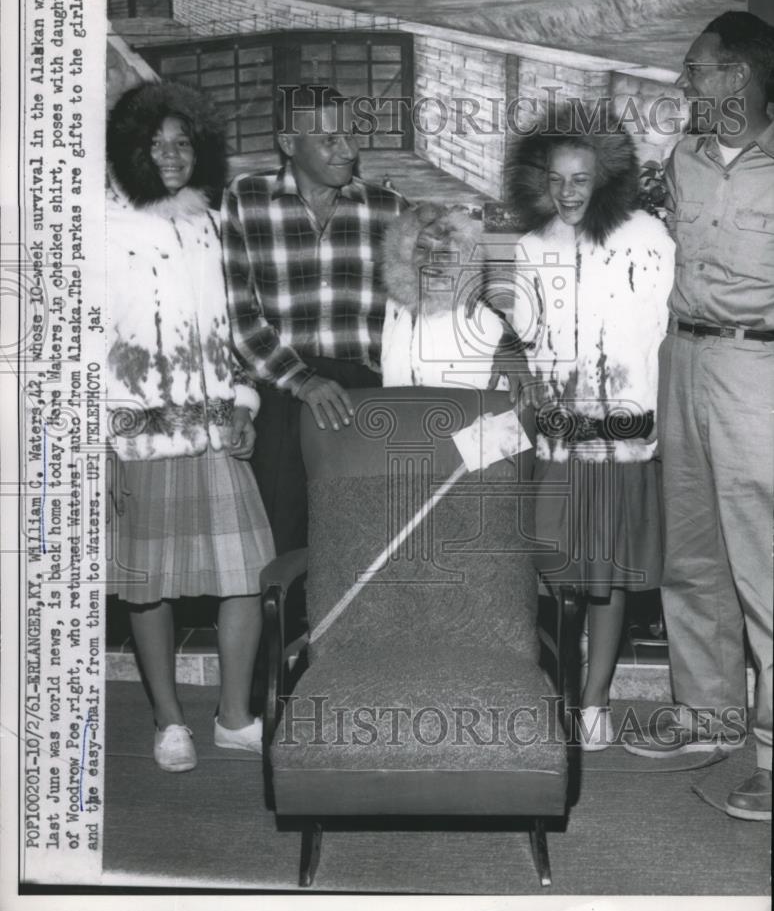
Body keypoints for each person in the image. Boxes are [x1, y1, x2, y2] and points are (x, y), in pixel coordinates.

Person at [623, 12, 774, 822]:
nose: (683, 82)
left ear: (737, 80)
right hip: (681, 359)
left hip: (760, 369)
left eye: (695, 68)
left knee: (767, 571)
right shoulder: (682, 156)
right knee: (692, 554)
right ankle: (708, 719)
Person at [106, 82, 275, 773]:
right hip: (140, 436)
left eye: (182, 142)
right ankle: (169, 721)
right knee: (148, 584)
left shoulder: (208, 221)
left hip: (217, 431)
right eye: (155, 143)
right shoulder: (99, 224)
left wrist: (244, 401)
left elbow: (233, 327)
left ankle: (234, 717)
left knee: (249, 574)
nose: (170, 155)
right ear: (130, 150)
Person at [507, 112, 675, 750]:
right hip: (555, 437)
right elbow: (522, 338)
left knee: (605, 572)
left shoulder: (648, 236)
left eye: (582, 178)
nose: (569, 192)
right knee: (553, 563)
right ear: (540, 182)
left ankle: (595, 702)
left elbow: (665, 333)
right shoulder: (532, 245)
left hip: (623, 438)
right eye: (556, 179)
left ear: (607, 178)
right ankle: (555, 684)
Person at [221, 84, 405, 556]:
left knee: (363, 545)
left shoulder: (388, 208)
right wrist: (302, 381)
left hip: (363, 395)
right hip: (283, 391)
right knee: (282, 545)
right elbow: (239, 313)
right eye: (329, 139)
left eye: (350, 134)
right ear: (288, 143)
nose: (347, 149)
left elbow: (431, 300)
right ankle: (284, 633)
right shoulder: (245, 200)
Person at [380, 201, 510, 389]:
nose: (430, 260)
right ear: (404, 252)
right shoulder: (396, 307)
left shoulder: (481, 325)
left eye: (443, 252)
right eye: (422, 248)